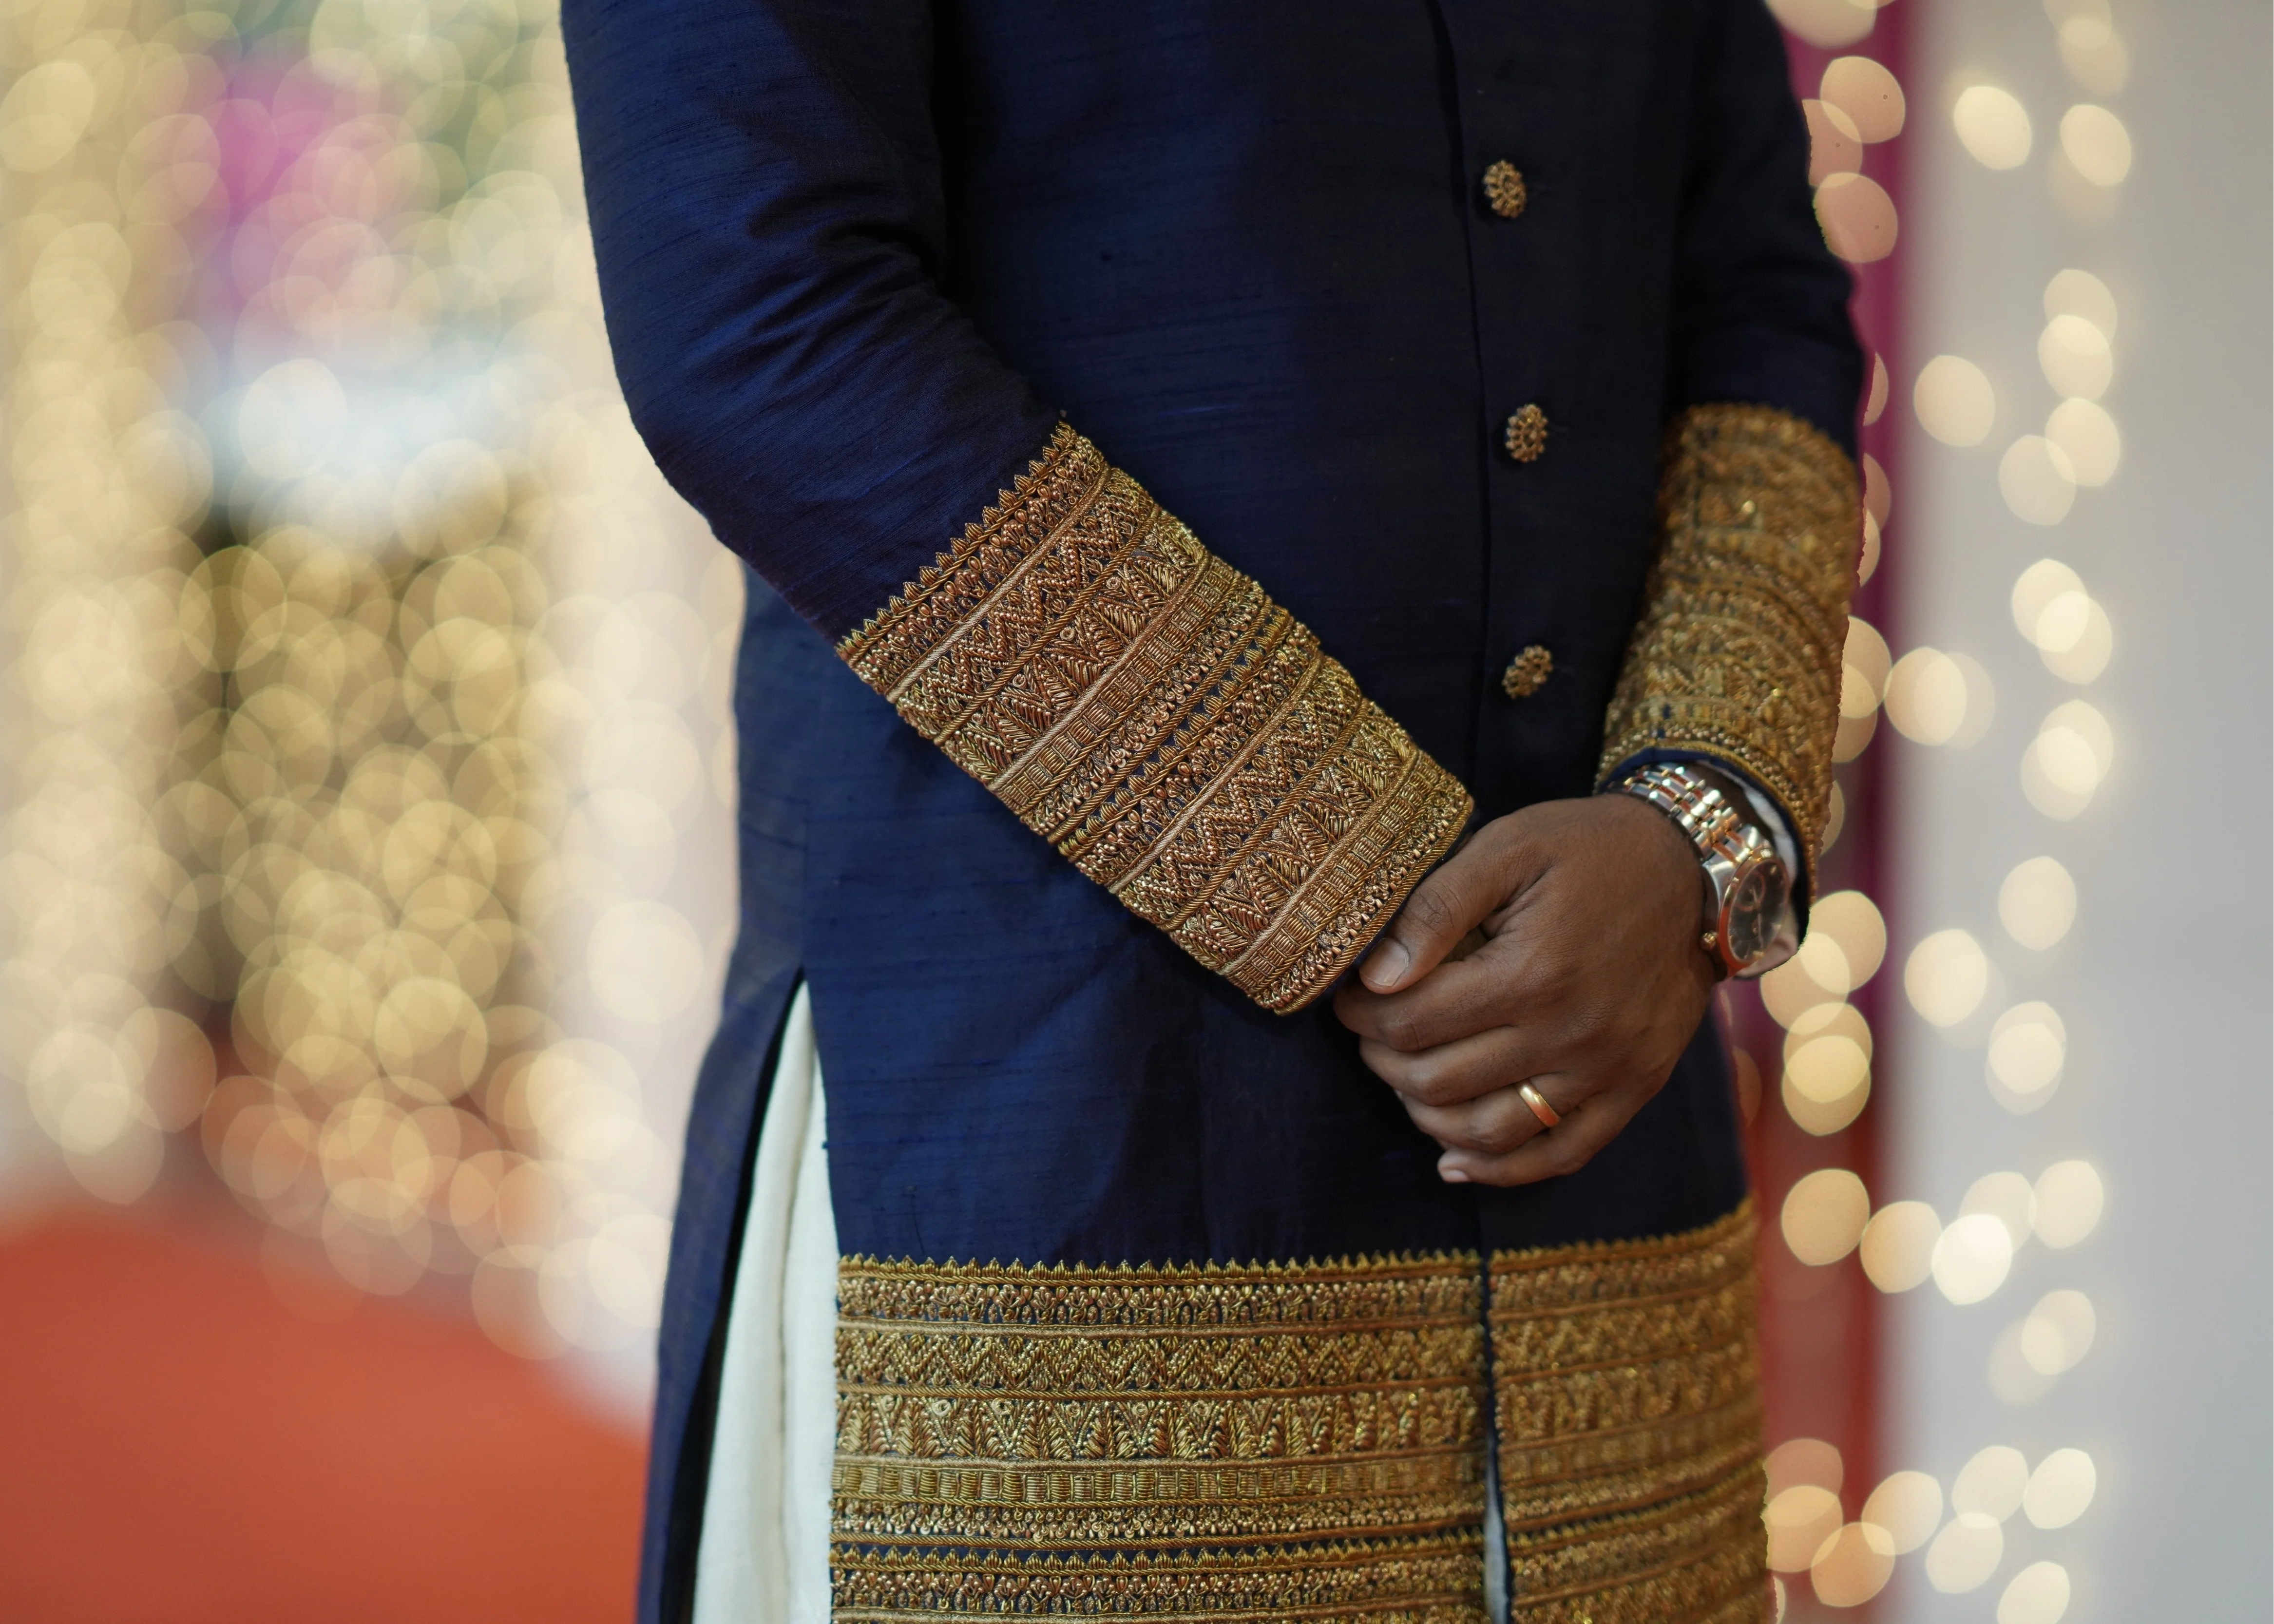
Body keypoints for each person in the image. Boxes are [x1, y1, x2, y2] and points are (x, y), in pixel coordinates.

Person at [561, 1, 1862, 1619]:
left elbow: (1762, 308)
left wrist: (1699, 830)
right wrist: (1386, 898)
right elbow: (753, 313)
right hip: (1050, 1109)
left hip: (1602, 1117)